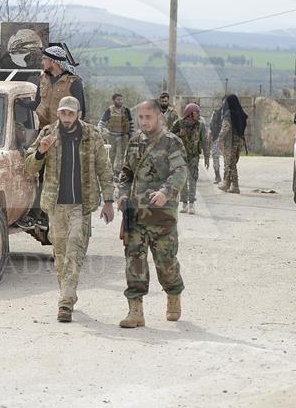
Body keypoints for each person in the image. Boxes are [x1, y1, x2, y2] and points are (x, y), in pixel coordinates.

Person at [24, 96, 115, 323]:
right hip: (56, 205)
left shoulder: (92, 135)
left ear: (79, 115)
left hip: (81, 206)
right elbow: (29, 168)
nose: (66, 117)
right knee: (61, 255)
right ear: (59, 114)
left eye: (70, 113)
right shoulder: (48, 134)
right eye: (63, 113)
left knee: (75, 249)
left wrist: (109, 201)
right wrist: (40, 153)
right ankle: (68, 293)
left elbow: (104, 169)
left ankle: (65, 302)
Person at [116, 99, 188, 328]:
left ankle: (174, 293)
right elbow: (126, 173)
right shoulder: (135, 142)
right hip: (136, 215)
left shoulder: (171, 143)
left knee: (166, 263)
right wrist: (123, 194)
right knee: (134, 262)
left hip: (162, 217)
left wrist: (166, 192)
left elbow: (180, 171)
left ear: (159, 117)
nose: (144, 121)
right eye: (141, 117)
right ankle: (135, 312)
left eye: (148, 117)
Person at [30, 44, 86, 127]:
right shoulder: (43, 79)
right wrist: (20, 103)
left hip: (63, 132)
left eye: (44, 59)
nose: (42, 63)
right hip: (44, 130)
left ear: (53, 62)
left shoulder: (74, 82)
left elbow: (80, 112)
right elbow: (37, 104)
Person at [171, 103, 210, 215]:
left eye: (199, 112)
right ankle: (184, 203)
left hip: (193, 156)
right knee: (182, 179)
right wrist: (179, 134)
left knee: (193, 179)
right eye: (196, 112)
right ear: (189, 113)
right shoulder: (179, 123)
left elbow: (204, 141)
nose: (199, 114)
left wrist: (207, 157)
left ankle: (191, 203)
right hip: (180, 156)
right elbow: (168, 136)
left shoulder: (200, 125)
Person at [218, 94, 249, 194]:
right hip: (239, 141)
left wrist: (220, 139)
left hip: (230, 142)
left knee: (230, 163)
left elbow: (225, 127)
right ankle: (227, 183)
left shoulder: (229, 113)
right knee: (231, 163)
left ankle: (235, 185)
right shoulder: (241, 114)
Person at [97, 93, 134, 174]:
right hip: (111, 136)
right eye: (118, 99)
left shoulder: (126, 111)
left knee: (120, 156)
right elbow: (101, 123)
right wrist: (99, 132)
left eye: (121, 99)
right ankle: (110, 173)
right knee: (111, 156)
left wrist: (132, 135)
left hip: (123, 136)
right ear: (114, 100)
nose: (120, 101)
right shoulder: (109, 111)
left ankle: (118, 173)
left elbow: (131, 123)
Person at [209, 104, 223, 184]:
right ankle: (217, 176)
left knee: (227, 160)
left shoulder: (230, 113)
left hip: (224, 139)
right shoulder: (216, 112)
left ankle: (225, 178)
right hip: (217, 138)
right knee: (215, 157)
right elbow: (211, 126)